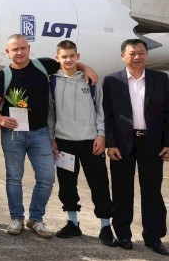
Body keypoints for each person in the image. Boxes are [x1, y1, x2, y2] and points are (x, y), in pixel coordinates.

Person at [0, 34, 98, 239]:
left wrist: (86, 68)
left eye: (23, 48)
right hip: (14, 135)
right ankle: (16, 218)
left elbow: (67, 61)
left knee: (46, 178)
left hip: (40, 133)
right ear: (7, 52)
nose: (19, 52)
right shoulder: (3, 76)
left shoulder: (43, 65)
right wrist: (0, 119)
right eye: (15, 49)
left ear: (29, 48)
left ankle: (36, 218)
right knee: (13, 178)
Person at [103, 39, 169, 255]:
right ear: (123, 56)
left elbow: (168, 114)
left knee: (152, 191)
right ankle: (123, 234)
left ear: (147, 55)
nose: (137, 57)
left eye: (141, 52)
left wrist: (168, 143)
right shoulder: (112, 80)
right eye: (132, 53)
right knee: (122, 190)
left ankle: (154, 236)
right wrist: (110, 144)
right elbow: (109, 116)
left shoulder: (161, 79)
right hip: (122, 144)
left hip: (152, 144)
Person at [47, 40, 115, 245]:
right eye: (64, 56)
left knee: (100, 184)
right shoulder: (52, 82)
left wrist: (101, 135)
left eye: (72, 55)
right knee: (67, 186)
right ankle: (73, 223)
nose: (68, 60)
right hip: (64, 143)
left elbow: (101, 110)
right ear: (57, 58)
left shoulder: (91, 81)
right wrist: (52, 138)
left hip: (90, 142)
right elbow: (49, 113)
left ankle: (105, 226)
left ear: (78, 56)